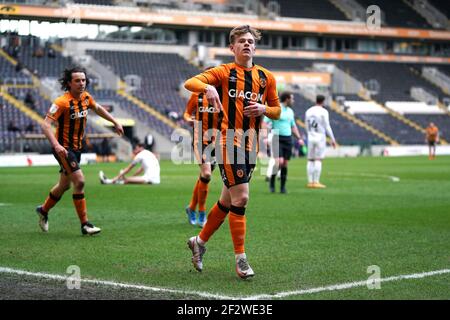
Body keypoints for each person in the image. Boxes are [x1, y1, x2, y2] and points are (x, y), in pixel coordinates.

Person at [184, 25, 280, 279]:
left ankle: (199, 242)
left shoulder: (265, 77)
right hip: (227, 143)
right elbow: (189, 82)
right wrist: (207, 87)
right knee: (242, 199)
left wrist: (263, 109)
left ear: (255, 46)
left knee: (227, 201)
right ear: (232, 47)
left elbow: (277, 110)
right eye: (241, 41)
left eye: (250, 41)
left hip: (251, 146)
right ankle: (241, 260)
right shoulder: (224, 72)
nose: (247, 44)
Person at [36, 66, 124, 235]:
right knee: (80, 181)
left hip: (77, 148)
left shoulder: (85, 98)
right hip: (63, 148)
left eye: (83, 80)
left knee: (64, 185)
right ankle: (85, 225)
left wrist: (115, 122)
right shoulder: (61, 102)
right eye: (77, 80)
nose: (81, 83)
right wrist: (56, 145)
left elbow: (98, 108)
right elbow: (45, 124)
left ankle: (43, 210)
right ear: (69, 83)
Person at [183, 88, 219, 227]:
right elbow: (186, 112)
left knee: (203, 177)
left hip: (216, 142)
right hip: (199, 140)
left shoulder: (223, 97)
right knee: (207, 174)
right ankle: (202, 213)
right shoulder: (197, 95)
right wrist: (189, 119)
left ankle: (191, 207)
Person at [263, 91, 303, 194]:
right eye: (292, 98)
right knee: (278, 162)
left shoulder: (290, 111)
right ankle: (272, 182)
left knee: (285, 163)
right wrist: (265, 136)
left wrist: (299, 138)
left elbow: (293, 126)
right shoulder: (277, 109)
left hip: (288, 139)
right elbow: (265, 122)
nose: (293, 101)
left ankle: (282, 187)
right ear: (287, 99)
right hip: (277, 137)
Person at [305, 95, 336, 189]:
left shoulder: (308, 111)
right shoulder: (324, 111)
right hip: (320, 137)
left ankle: (310, 182)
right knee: (318, 159)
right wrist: (332, 139)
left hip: (310, 136)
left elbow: (306, 125)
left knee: (310, 159)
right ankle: (316, 181)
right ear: (323, 101)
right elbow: (327, 126)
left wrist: (309, 134)